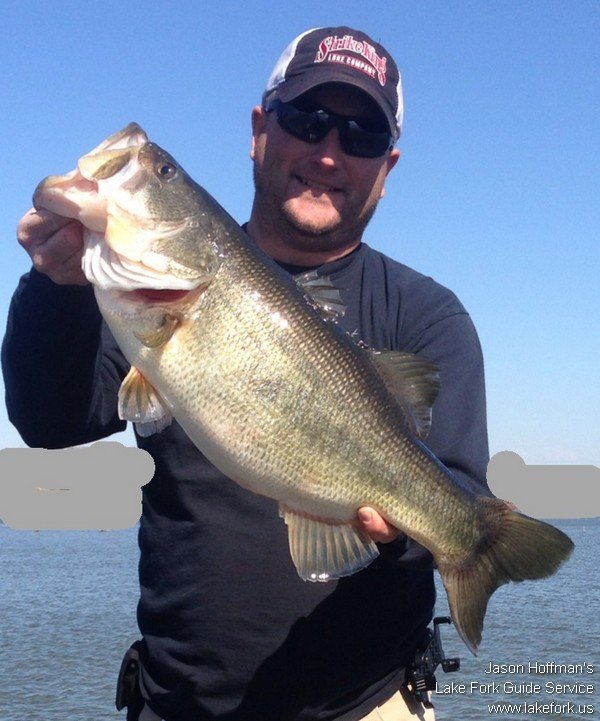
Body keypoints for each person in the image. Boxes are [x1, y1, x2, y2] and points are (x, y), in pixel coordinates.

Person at [2, 26, 490, 721]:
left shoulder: (428, 315)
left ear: (387, 168)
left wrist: (404, 530)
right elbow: (49, 420)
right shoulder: (138, 300)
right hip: (177, 703)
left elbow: (460, 497)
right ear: (260, 131)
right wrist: (55, 287)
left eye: (361, 136)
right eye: (307, 119)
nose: (328, 152)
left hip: (366, 704)